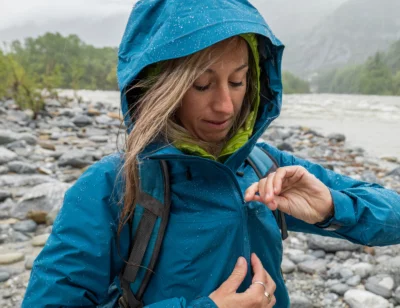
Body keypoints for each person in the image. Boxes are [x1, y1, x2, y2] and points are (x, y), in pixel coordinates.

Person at [22, 0, 400, 307]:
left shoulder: (266, 165)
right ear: (158, 87)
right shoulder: (114, 186)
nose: (225, 106)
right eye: (202, 84)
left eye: (237, 81)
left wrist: (332, 207)